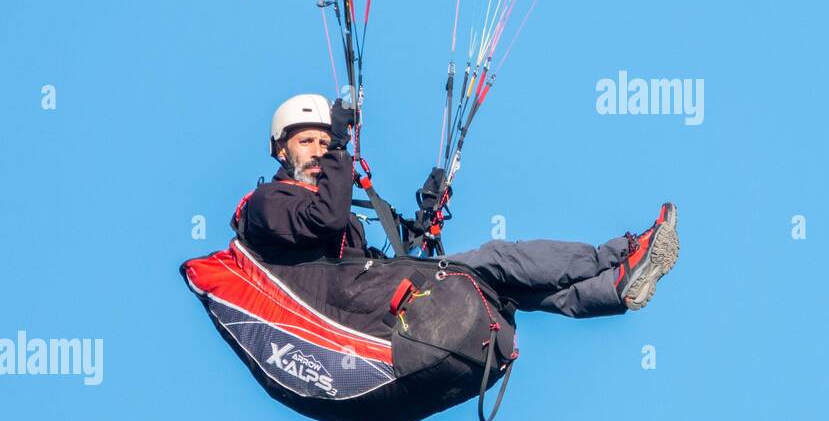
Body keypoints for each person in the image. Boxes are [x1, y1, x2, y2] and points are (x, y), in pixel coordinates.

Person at [237, 94, 679, 330]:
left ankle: (616, 287)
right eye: (305, 142)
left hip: (373, 302)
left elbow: (375, 265)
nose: (317, 151)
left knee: (505, 287)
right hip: (351, 313)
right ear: (280, 150)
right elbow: (326, 221)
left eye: (322, 140)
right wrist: (339, 147)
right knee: (498, 258)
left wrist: (421, 225)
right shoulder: (267, 205)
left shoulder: (331, 209)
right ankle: (619, 252)